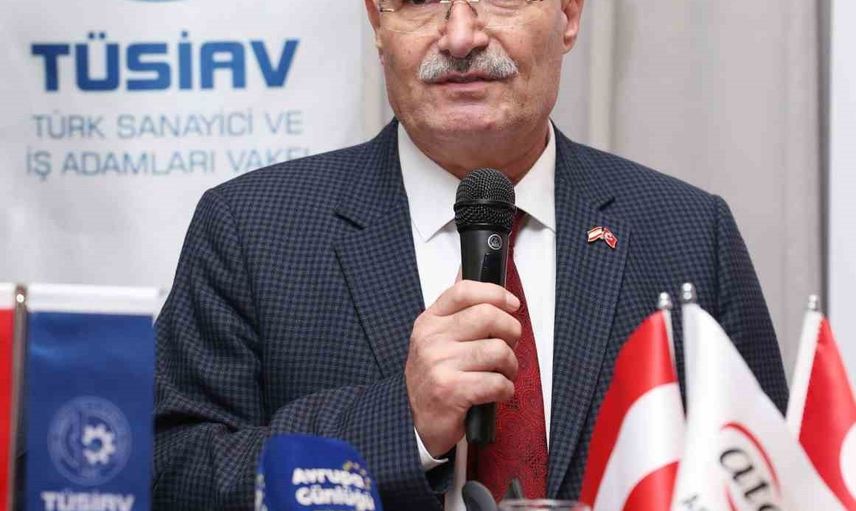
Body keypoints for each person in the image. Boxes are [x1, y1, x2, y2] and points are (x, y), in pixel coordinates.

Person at [153, 1, 789, 509]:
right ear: (377, 23)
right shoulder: (253, 227)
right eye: (420, 1)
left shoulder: (686, 231)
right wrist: (402, 423)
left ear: (568, 15)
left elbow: (769, 480)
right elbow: (170, 474)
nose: (460, 36)